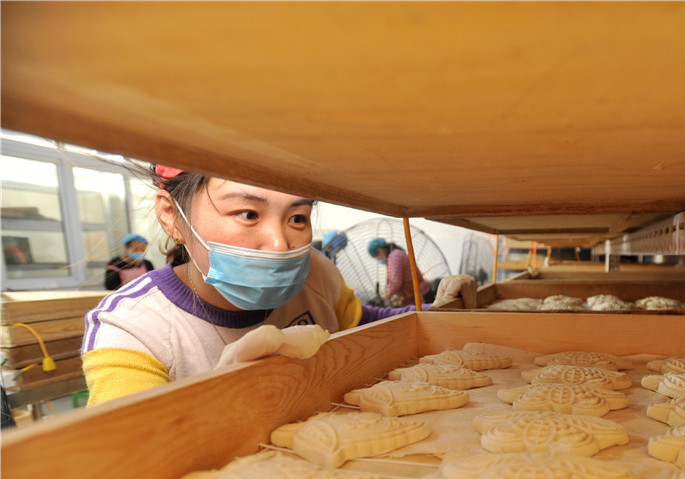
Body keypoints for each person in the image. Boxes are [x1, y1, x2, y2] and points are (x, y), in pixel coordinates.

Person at [81, 165, 468, 407]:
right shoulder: (133, 331)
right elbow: (123, 458)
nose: (280, 244)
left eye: (297, 218)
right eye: (248, 213)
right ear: (171, 216)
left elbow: (364, 323)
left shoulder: (315, 272)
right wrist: (220, 397)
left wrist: (444, 310)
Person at [368, 237, 431, 307]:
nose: (379, 259)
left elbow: (396, 282)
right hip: (413, 295)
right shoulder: (395, 255)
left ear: (380, 250)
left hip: (419, 296)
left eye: (377, 256)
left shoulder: (395, 256)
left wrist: (386, 297)